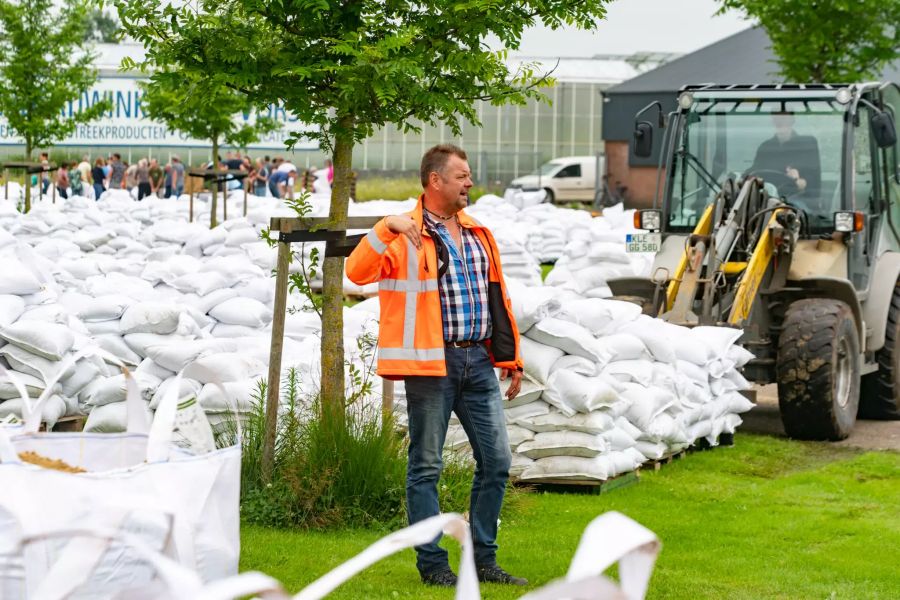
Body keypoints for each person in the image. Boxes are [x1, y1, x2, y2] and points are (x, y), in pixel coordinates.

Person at [346, 144, 527, 589]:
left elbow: (496, 299)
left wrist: (511, 356)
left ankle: (483, 559)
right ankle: (433, 566)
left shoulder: (477, 232)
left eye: (468, 176)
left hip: (479, 360)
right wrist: (385, 227)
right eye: (462, 176)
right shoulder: (403, 232)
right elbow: (356, 270)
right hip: (431, 365)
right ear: (435, 181)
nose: (469, 182)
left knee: (498, 462)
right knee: (426, 466)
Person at [748, 112, 820, 199]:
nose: (781, 122)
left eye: (784, 118)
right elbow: (755, 170)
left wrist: (798, 181)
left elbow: (814, 180)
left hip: (797, 201)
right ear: (773, 121)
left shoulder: (806, 144)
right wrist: (742, 178)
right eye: (777, 118)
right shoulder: (766, 147)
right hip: (768, 199)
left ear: (792, 120)